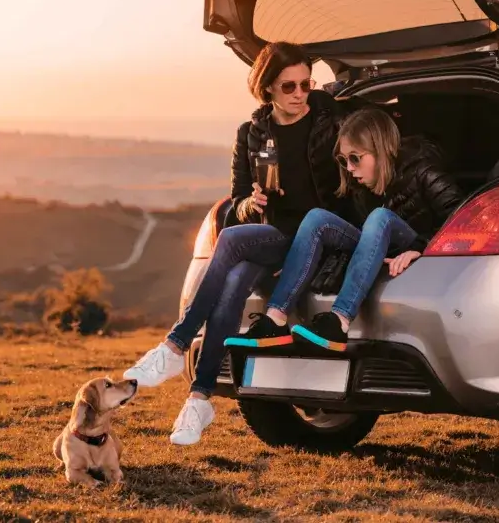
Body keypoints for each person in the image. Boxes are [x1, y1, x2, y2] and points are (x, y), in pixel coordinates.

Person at [122, 41, 362, 446]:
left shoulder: (329, 116)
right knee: (233, 272)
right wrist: (251, 203)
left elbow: (363, 138)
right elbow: (236, 204)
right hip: (276, 235)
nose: (300, 94)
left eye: (307, 84)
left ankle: (177, 346)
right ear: (267, 87)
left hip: (319, 235)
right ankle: (199, 398)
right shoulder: (250, 134)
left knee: (231, 247)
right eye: (289, 87)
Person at [226, 108, 463, 352]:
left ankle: (339, 322)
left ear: (381, 151)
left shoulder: (423, 171)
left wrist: (420, 247)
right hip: (373, 246)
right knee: (317, 217)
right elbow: (343, 228)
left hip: (408, 241)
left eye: (355, 158)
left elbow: (461, 218)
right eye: (343, 160)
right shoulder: (356, 184)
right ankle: (275, 320)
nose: (348, 168)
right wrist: (300, 256)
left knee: (379, 216)